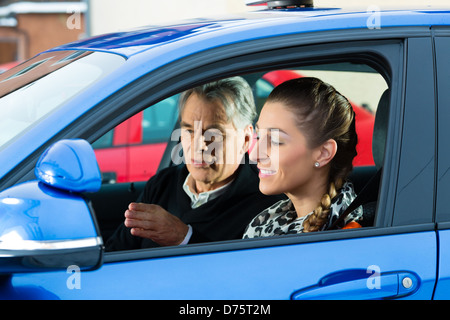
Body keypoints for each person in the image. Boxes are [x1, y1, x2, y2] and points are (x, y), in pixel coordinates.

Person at [106, 76, 285, 251]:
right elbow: (114, 253)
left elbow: (245, 274)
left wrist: (185, 238)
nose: (199, 145)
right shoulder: (163, 184)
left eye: (213, 134)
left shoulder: (267, 205)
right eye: (189, 130)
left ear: (245, 139)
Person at [243, 77, 362, 238]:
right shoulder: (267, 222)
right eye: (259, 136)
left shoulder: (345, 236)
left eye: (276, 141)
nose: (255, 154)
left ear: (323, 153)